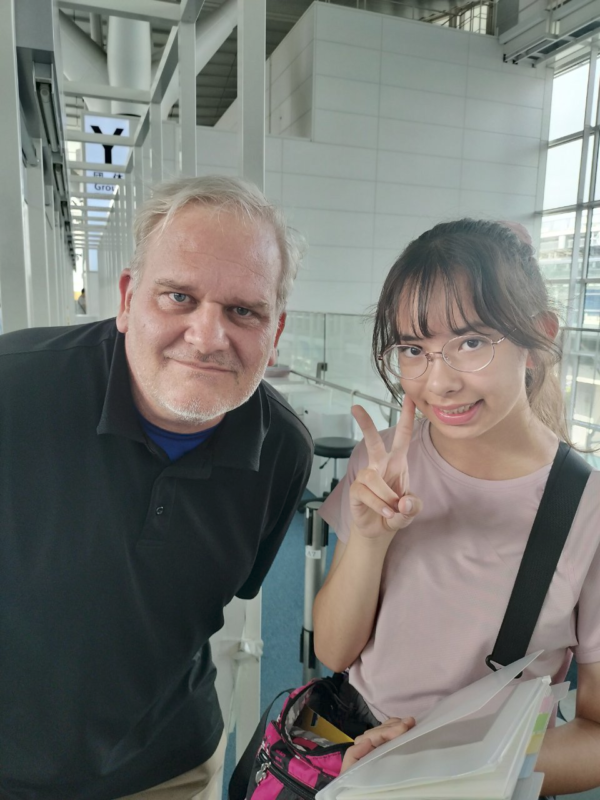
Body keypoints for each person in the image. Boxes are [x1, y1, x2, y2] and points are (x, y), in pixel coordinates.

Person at [0, 176, 313, 800]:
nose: (207, 336)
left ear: (275, 331)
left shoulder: (282, 450)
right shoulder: (14, 391)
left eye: (243, 311)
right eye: (178, 297)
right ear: (127, 299)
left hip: (169, 768)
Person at [313, 219, 600, 793]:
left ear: (537, 338)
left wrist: (438, 766)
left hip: (488, 780)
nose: (439, 382)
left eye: (471, 342)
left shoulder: (587, 512)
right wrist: (370, 539)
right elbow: (335, 652)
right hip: (354, 751)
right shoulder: (383, 466)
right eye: (413, 350)